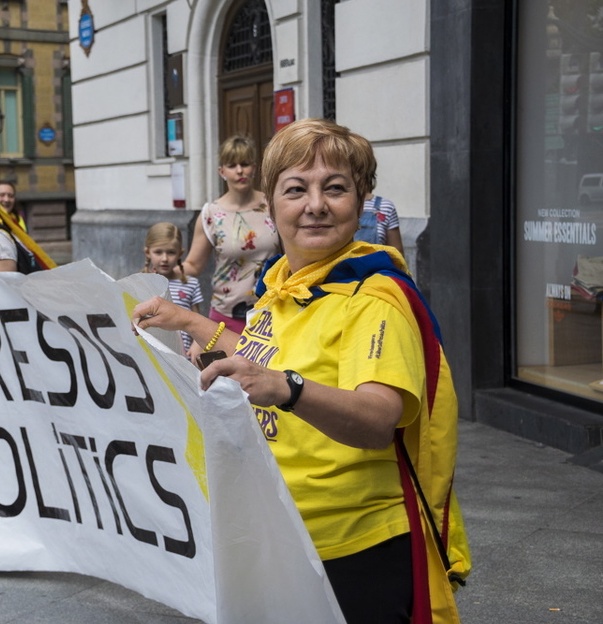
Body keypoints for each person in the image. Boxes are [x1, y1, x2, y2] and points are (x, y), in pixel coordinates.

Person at [132, 118, 469, 624]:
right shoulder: (283, 285)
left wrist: (287, 389)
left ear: (361, 202)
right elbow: (259, 359)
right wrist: (187, 321)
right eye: (296, 189)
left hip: (353, 548)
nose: (315, 205)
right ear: (271, 205)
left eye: (335, 188)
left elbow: (379, 418)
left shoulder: (373, 299)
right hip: (280, 535)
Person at [182, 135, 280, 355]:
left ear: (254, 168)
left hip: (272, 313)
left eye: (245, 164)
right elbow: (194, 265)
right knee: (225, 386)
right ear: (221, 171)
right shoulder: (211, 214)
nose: (239, 171)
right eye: (232, 165)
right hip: (225, 316)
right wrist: (162, 269)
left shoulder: (273, 205)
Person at [143, 222, 203, 356]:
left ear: (180, 253)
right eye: (158, 252)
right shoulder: (141, 283)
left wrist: (197, 344)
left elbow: (197, 318)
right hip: (153, 354)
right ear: (148, 252)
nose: (165, 259)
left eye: (171, 252)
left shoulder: (191, 284)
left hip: (183, 356)